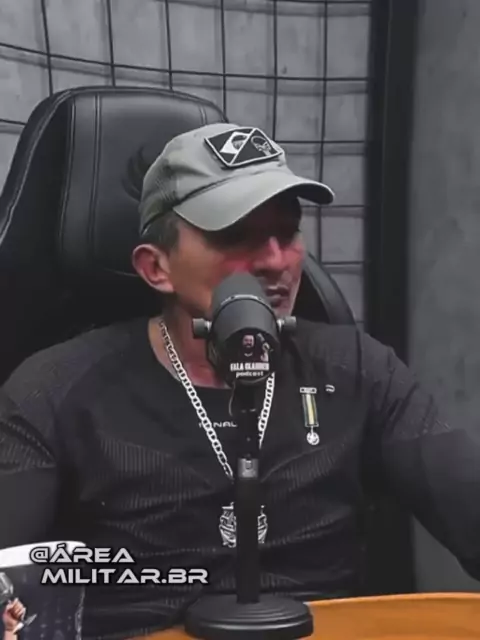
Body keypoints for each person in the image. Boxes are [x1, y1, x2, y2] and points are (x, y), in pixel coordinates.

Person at [0, 122, 479, 640]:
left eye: (288, 232)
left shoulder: (359, 369)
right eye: (234, 236)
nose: (276, 261)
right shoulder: (53, 391)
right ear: (157, 267)